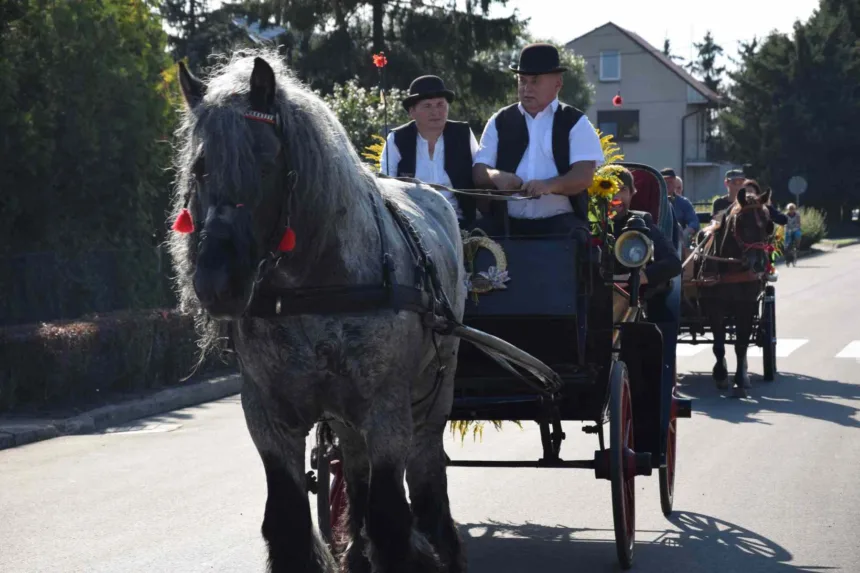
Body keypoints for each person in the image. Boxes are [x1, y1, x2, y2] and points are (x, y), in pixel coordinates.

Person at [472, 43, 604, 237]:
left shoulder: (576, 122)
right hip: (506, 224)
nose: (527, 88)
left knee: (579, 244)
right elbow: (478, 172)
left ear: (557, 83)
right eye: (522, 80)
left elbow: (583, 176)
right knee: (472, 238)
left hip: (560, 225)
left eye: (535, 81)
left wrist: (549, 185)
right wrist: (496, 176)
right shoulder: (499, 120)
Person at [380, 75, 480, 226]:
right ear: (412, 112)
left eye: (440, 104)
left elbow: (478, 173)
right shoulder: (397, 139)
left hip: (458, 221)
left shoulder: (463, 133)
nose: (435, 112)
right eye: (427, 106)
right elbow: (386, 185)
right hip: (413, 223)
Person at [611, 167, 682, 286]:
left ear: (631, 193)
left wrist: (629, 280)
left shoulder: (640, 222)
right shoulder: (588, 224)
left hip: (632, 298)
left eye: (622, 189)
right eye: (610, 189)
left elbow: (673, 263)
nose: (616, 196)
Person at [660, 168, 699, 243]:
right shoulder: (654, 201)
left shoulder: (684, 203)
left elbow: (694, 222)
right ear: (660, 183)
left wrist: (686, 233)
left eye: (670, 182)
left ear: (675, 183)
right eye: (665, 182)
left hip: (678, 242)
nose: (667, 185)